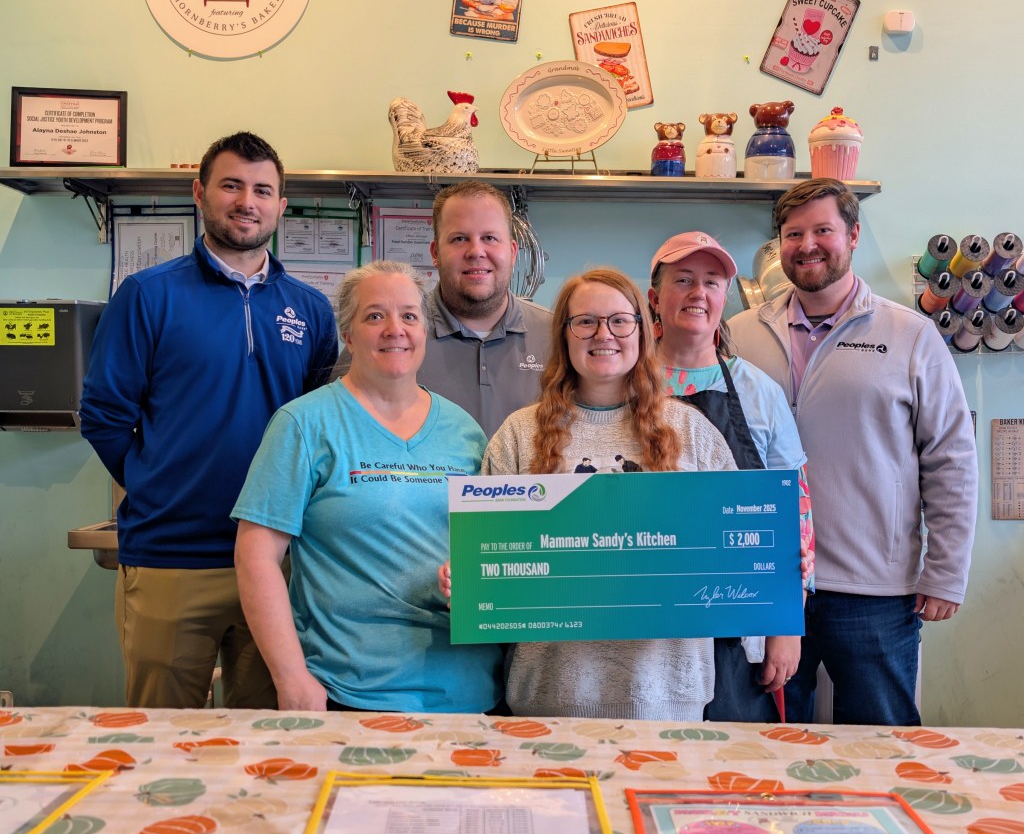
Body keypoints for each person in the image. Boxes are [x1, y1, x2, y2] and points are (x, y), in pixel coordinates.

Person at [80, 131, 339, 710]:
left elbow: (317, 421)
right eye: (231, 185)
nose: (247, 201)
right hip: (171, 557)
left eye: (263, 189)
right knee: (161, 739)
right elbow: (103, 416)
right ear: (200, 193)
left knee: (271, 739)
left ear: (281, 205)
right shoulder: (147, 295)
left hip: (276, 563)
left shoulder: (311, 308)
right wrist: (159, 480)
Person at [729, 178, 978, 726]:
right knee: (762, 748)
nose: (808, 244)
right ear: (779, 245)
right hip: (764, 582)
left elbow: (951, 458)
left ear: (854, 235)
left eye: (823, 230)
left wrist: (945, 572)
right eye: (793, 233)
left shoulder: (910, 335)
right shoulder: (739, 334)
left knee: (882, 747)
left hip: (873, 591)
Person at [444, 267, 737, 720]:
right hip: (549, 700)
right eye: (585, 321)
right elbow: (489, 567)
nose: (604, 334)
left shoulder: (693, 433)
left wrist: (774, 560)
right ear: (564, 334)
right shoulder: (519, 435)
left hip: (667, 699)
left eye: (620, 320)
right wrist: (465, 578)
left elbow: (732, 553)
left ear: (642, 330)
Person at [232, 261, 502, 713]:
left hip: (473, 695)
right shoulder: (303, 425)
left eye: (409, 316)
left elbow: (495, 548)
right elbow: (255, 556)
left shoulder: (465, 431)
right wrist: (292, 677)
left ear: (424, 331)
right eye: (375, 316)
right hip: (351, 694)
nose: (394, 329)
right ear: (349, 335)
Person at [649, 231, 813, 721]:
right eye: (684, 280)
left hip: (740, 625)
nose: (699, 293)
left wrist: (788, 625)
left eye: (712, 282)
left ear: (724, 297)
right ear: (655, 299)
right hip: (645, 621)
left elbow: (795, 511)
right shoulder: (625, 384)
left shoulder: (758, 391)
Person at [334, 180, 551, 437]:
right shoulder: (388, 337)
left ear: (513, 252)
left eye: (490, 238)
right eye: (459, 239)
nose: (476, 251)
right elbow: (339, 429)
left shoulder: (556, 336)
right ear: (435, 252)